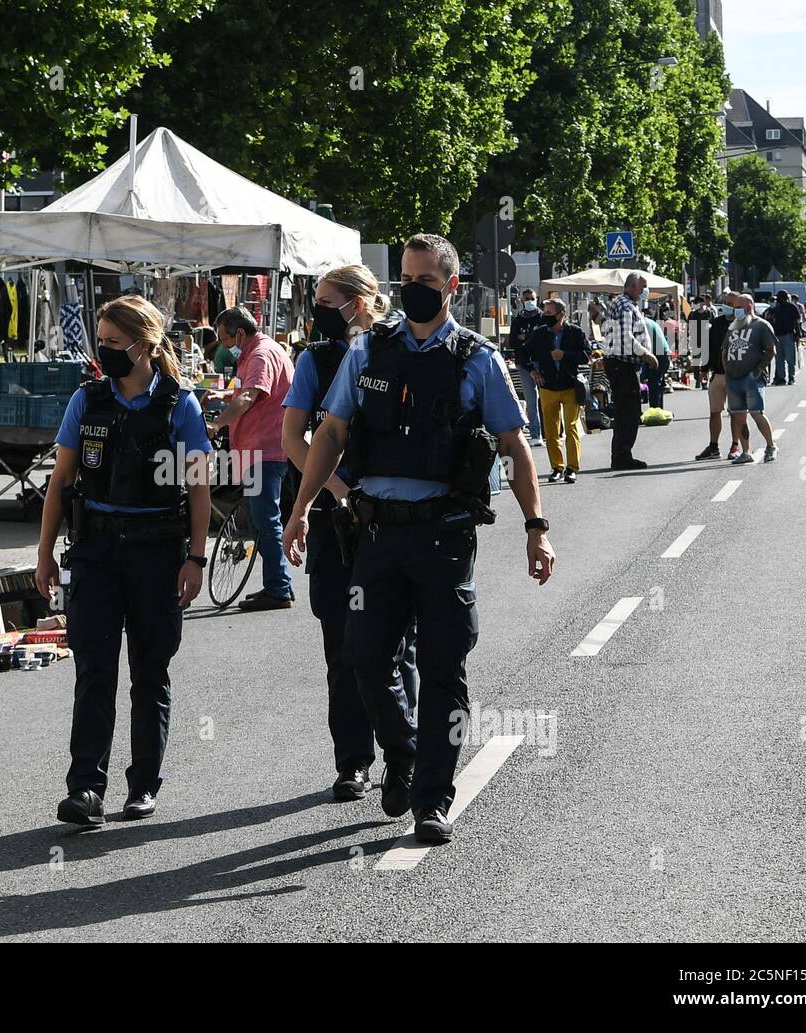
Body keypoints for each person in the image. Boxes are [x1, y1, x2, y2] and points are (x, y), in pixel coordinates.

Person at [281, 233, 555, 846]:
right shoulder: (368, 352)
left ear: (451, 286)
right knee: (364, 656)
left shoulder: (476, 359)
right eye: (405, 279)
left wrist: (536, 529)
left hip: (443, 537)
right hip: (374, 533)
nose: (412, 290)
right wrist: (301, 508)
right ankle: (401, 753)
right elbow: (328, 434)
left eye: (426, 282)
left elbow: (514, 447)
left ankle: (433, 798)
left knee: (443, 667)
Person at [36, 295, 212, 825]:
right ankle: (86, 789)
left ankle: (143, 785)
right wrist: (44, 553)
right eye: (102, 341)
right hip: (96, 551)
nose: (105, 352)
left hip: (158, 553)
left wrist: (196, 559)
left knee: (150, 671)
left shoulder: (180, 405)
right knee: (94, 669)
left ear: (146, 345)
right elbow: (60, 482)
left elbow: (199, 488)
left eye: (115, 343)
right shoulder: (87, 401)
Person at [281, 263, 418, 802]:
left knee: (398, 644)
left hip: (392, 520)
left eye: (327, 300)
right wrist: (333, 492)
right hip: (338, 523)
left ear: (361, 302)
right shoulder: (314, 359)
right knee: (341, 646)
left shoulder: (401, 349)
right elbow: (295, 439)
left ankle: (401, 757)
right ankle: (353, 761)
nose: (318, 311)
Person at [204, 306, 296, 610]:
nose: (224, 346)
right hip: (258, 449)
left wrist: (217, 423)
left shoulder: (260, 353)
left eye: (225, 339)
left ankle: (279, 589)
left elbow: (249, 397)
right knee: (261, 520)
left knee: (265, 520)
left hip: (265, 450)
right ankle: (278, 584)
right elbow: (247, 392)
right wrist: (223, 396)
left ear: (240, 333)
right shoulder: (256, 352)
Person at [527, 297, 591, 484]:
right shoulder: (539, 334)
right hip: (548, 387)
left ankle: (572, 468)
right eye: (544, 312)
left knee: (571, 427)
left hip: (570, 385)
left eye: (549, 313)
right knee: (551, 430)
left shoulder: (575, 332)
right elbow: (522, 353)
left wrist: (565, 355)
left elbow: (586, 355)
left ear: (561, 314)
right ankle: (557, 467)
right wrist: (532, 371)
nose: (544, 316)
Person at [601, 274, 660, 470]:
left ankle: (621, 454)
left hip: (621, 363)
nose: (645, 290)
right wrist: (646, 355)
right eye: (643, 286)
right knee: (628, 411)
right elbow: (625, 337)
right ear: (633, 286)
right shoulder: (625, 305)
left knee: (626, 410)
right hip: (622, 364)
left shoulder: (624, 303)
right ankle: (622, 456)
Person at [721, 291, 777, 465]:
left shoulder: (761, 325)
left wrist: (758, 369)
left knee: (756, 413)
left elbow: (770, 351)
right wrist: (726, 370)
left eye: (738, 307)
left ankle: (771, 446)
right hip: (733, 377)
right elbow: (725, 349)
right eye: (734, 307)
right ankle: (746, 451)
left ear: (749, 307)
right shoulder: (734, 326)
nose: (735, 310)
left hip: (752, 377)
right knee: (738, 416)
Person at [694, 302, 741, 461]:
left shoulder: (744, 323)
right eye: (726, 303)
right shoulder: (716, 322)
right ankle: (713, 446)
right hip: (718, 374)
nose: (727, 306)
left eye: (730, 303)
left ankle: (736, 445)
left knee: (736, 412)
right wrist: (704, 369)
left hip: (736, 375)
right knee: (714, 412)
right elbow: (708, 347)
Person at [507, 288, 545, 447]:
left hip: (542, 363)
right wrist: (530, 337)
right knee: (531, 400)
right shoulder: (518, 319)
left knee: (548, 399)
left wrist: (526, 337)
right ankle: (536, 434)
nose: (529, 301)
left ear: (537, 299)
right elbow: (513, 342)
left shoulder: (543, 317)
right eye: (526, 298)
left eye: (532, 298)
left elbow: (544, 338)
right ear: (522, 300)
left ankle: (552, 432)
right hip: (524, 364)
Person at [767, 291, 800, 385]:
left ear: (784, 298)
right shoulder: (776, 308)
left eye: (779, 298)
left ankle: (791, 377)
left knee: (790, 358)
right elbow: (770, 319)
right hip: (777, 336)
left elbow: (796, 321)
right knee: (779, 359)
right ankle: (781, 378)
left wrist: (798, 334)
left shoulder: (792, 307)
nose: (778, 300)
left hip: (788, 335)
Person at [643, 309, 672, 411]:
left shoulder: (642, 324)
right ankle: (659, 409)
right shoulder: (650, 322)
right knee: (657, 383)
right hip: (664, 355)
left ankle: (655, 410)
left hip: (658, 355)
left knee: (654, 383)